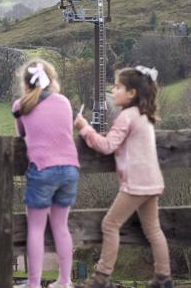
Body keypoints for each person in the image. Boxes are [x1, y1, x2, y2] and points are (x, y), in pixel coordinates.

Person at [74, 66, 172, 288]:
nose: (113, 90)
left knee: (110, 224)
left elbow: (107, 145)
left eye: (118, 87)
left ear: (132, 93)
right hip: (153, 182)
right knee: (154, 230)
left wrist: (85, 128)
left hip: (135, 184)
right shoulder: (145, 116)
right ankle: (163, 278)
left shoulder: (126, 116)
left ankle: (102, 277)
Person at [12, 59, 80, 288]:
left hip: (42, 170)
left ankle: (33, 284)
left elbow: (21, 134)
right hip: (70, 169)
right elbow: (65, 131)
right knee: (61, 226)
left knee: (36, 229)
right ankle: (64, 280)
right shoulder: (64, 102)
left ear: (25, 83)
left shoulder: (20, 106)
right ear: (52, 80)